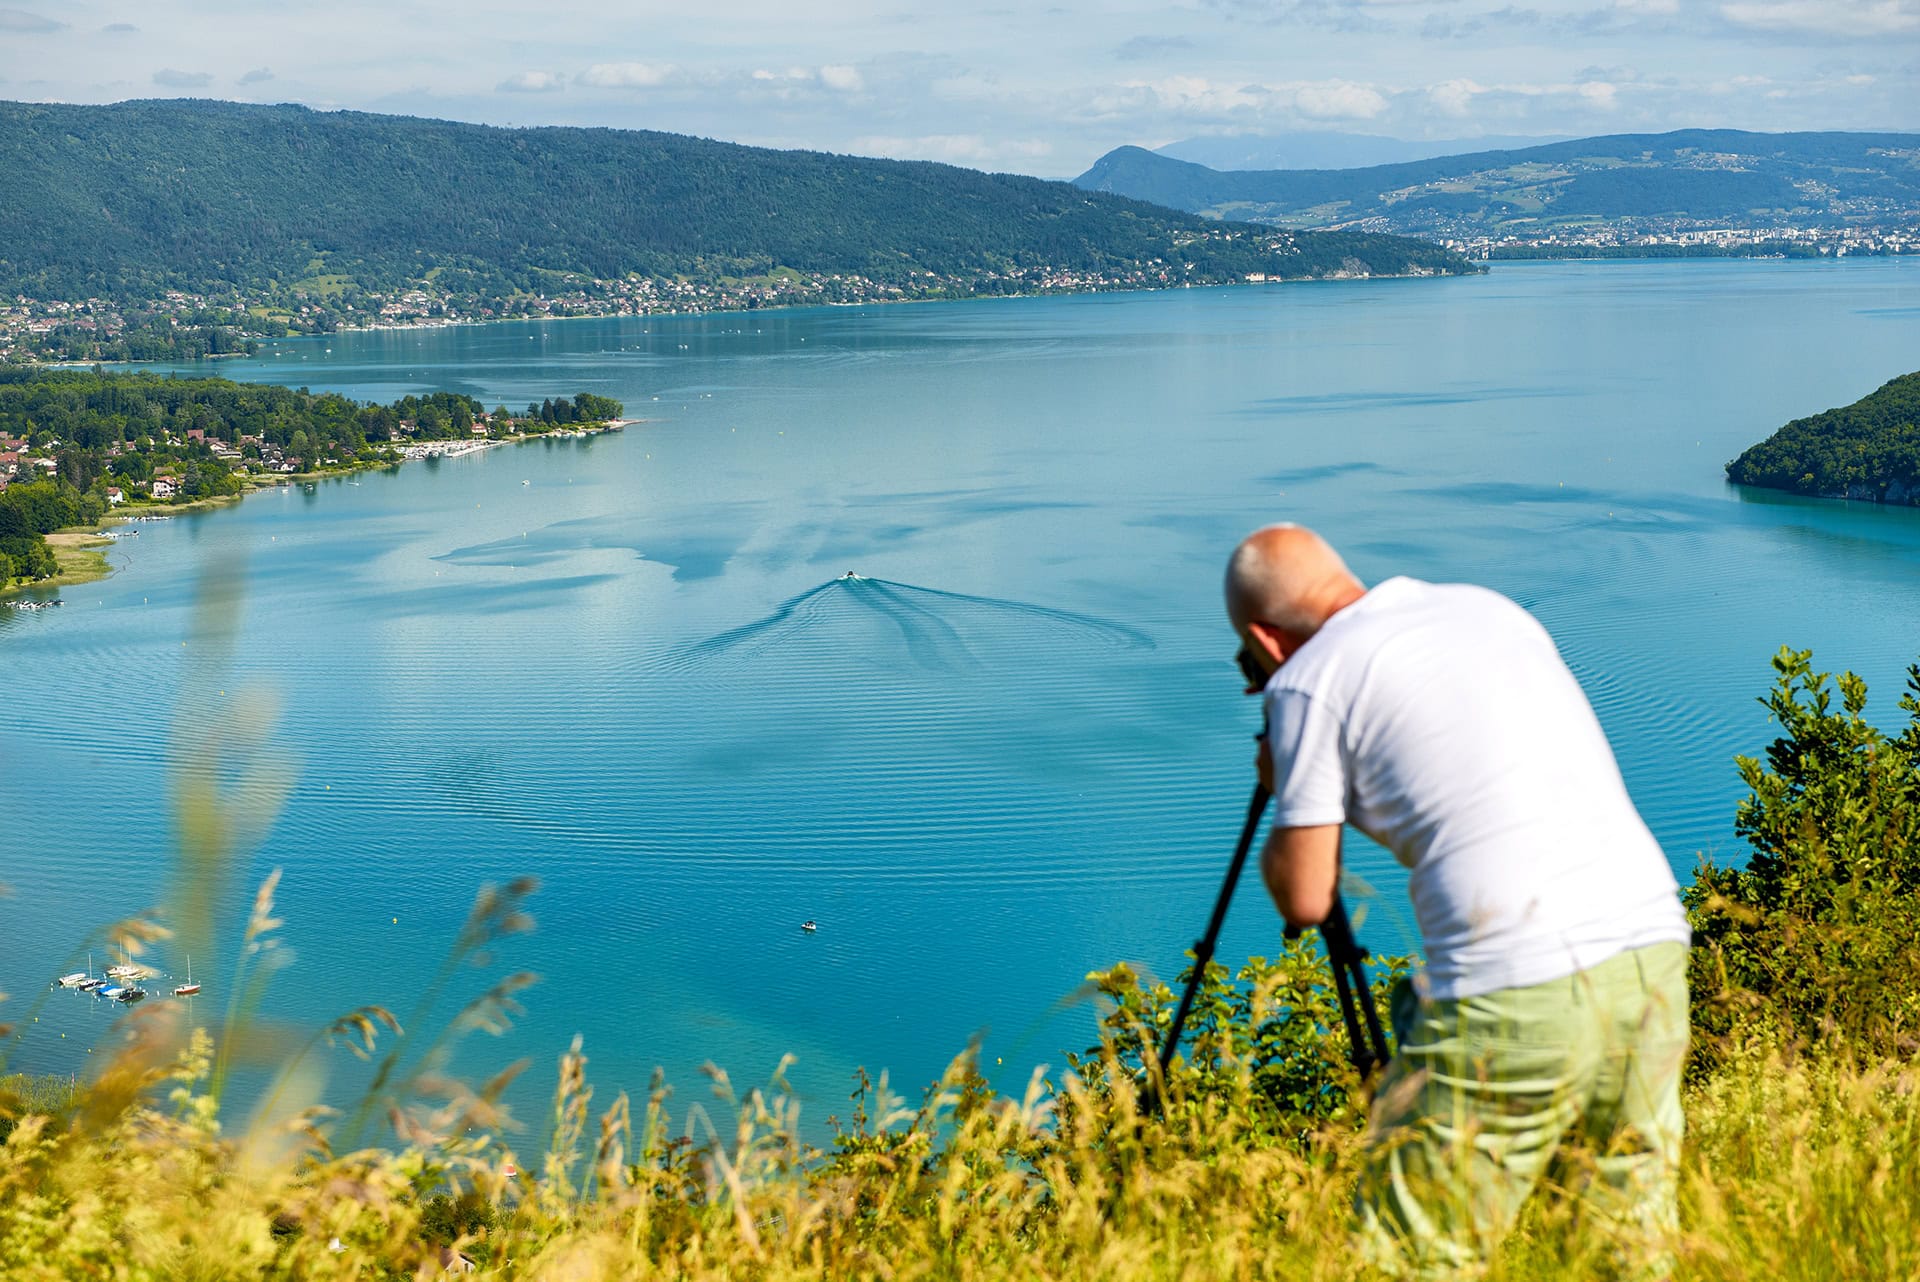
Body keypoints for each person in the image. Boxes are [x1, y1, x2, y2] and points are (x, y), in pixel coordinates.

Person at [1223, 523, 1691, 1278]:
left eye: (1251, 664)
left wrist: (1290, 782)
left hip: (1514, 985)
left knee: (1412, 1258)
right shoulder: (1486, 608)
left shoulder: (1309, 678)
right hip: (1651, 949)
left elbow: (1306, 899)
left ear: (1266, 640)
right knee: (1625, 1248)